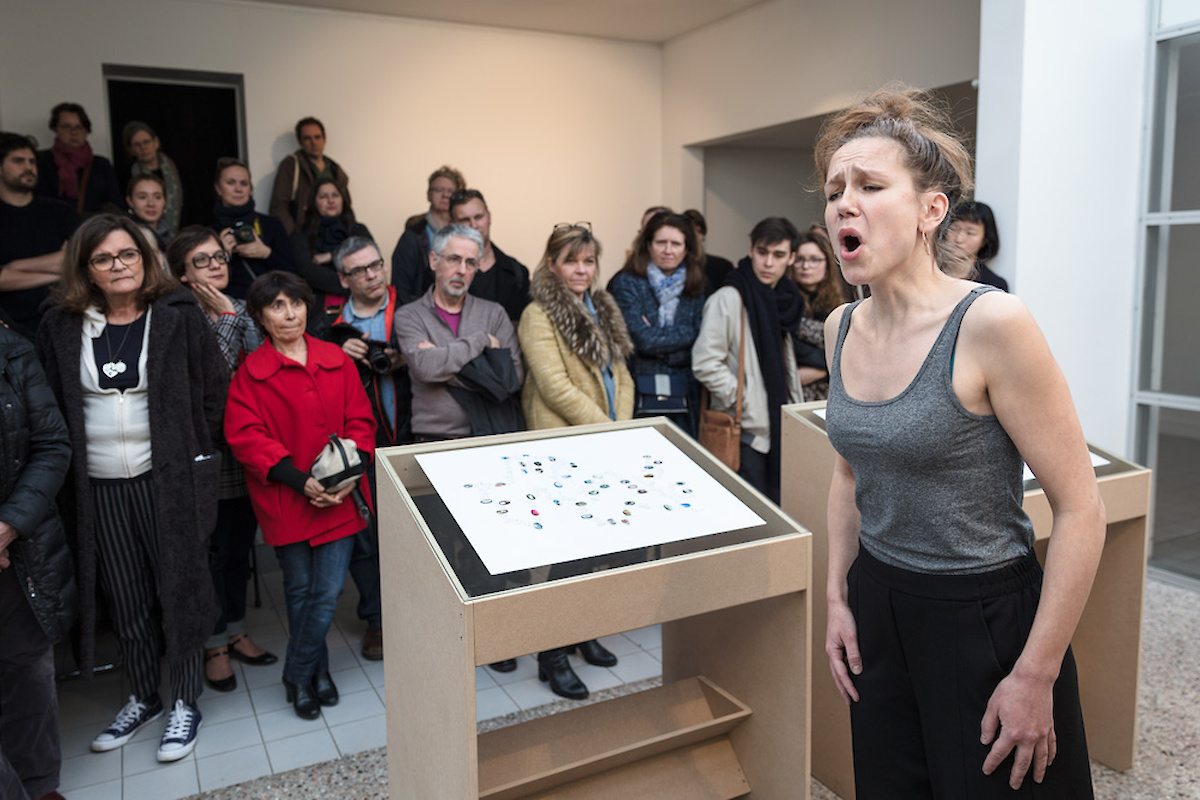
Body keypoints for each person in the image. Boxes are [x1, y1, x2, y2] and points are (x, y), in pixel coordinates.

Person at [818, 87, 1104, 797]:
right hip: (879, 601)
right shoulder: (839, 328)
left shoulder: (991, 324)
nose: (843, 205)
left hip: (981, 615)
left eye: (870, 186)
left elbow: (1080, 510)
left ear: (930, 210)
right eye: (834, 190)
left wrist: (1036, 673)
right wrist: (837, 597)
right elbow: (850, 475)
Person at [36, 214, 227, 763]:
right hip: (97, 489)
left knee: (181, 590)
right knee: (126, 596)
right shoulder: (59, 323)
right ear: (87, 270)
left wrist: (196, 454)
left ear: (145, 261)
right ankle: (143, 696)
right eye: (104, 258)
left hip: (168, 481)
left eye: (128, 255)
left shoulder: (176, 315)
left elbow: (213, 390)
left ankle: (185, 700)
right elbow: (49, 404)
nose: (118, 266)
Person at [224, 271, 376, 720]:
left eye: (296, 303)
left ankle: (298, 671)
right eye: (276, 306)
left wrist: (347, 478)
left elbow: (361, 423)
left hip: (341, 496)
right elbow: (245, 436)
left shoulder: (336, 359)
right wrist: (299, 480)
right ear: (260, 317)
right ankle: (316, 673)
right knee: (300, 589)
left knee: (327, 593)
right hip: (287, 499)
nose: (289, 314)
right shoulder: (251, 373)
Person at [518, 223, 633, 700]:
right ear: (552, 265)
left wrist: (621, 425)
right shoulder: (537, 313)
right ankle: (551, 655)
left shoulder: (602, 307)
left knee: (593, 551)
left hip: (602, 444)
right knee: (561, 557)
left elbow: (622, 372)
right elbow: (554, 387)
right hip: (563, 449)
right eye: (572, 261)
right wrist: (608, 431)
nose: (581, 270)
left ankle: (583, 632)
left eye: (588, 261)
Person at [166, 226, 275, 693]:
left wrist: (233, 315)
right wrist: (228, 317)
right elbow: (214, 378)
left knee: (236, 551)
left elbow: (258, 368)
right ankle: (213, 645)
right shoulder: (177, 317)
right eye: (202, 261)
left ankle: (236, 631)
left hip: (243, 450)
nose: (215, 265)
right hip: (203, 454)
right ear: (182, 275)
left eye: (218, 257)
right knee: (209, 555)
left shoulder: (238, 307)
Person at [316, 236, 411, 661]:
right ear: (343, 278)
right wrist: (337, 350)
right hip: (362, 448)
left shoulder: (409, 308)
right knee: (368, 539)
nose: (373, 275)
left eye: (377, 265)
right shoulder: (330, 324)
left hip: (413, 435)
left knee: (424, 536)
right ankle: (377, 620)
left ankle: (423, 611)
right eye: (360, 270)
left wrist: (408, 356)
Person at [0, 320, 75, 800]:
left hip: (18, 550)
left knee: (28, 674)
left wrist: (7, 527)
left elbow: (52, 445)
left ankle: (41, 786)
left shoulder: (10, 348)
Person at [692, 217, 803, 504]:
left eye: (778, 255)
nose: (768, 263)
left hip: (779, 427)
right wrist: (744, 397)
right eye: (762, 252)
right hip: (745, 429)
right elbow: (705, 363)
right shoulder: (729, 298)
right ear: (751, 251)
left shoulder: (784, 299)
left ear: (791, 258)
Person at [397, 224, 523, 441]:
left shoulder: (494, 314)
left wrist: (442, 362)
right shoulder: (410, 316)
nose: (462, 270)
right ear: (434, 260)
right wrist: (480, 342)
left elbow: (513, 378)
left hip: (493, 436)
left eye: (470, 262)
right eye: (454, 259)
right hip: (434, 439)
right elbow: (426, 368)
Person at [608, 211, 706, 437]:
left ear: (687, 248)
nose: (668, 250)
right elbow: (643, 340)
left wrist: (665, 350)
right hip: (638, 394)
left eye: (676, 243)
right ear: (648, 245)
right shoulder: (626, 282)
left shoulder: (697, 286)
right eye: (661, 242)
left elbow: (702, 339)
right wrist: (684, 338)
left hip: (686, 397)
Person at [0, 132, 79, 339]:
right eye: (18, 161)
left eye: (32, 161)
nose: (28, 167)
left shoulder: (60, 211)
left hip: (65, 316)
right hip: (10, 327)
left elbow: (75, 260)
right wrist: (58, 273)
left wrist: (13, 267)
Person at [290, 178, 372, 329]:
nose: (330, 200)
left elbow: (369, 263)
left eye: (335, 195)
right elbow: (307, 271)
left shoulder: (358, 230)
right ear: (314, 202)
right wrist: (352, 280)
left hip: (360, 302)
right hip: (316, 307)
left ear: (343, 199)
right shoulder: (301, 233)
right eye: (323, 196)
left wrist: (331, 256)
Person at [211, 157, 294, 300]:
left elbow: (293, 274)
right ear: (218, 188)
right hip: (229, 304)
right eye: (231, 183)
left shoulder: (271, 225)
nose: (238, 189)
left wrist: (266, 253)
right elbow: (205, 283)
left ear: (250, 188)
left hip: (268, 302)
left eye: (244, 183)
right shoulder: (210, 232)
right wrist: (222, 257)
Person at [449, 189, 530, 322]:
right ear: (452, 224)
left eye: (478, 217)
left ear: (489, 217)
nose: (474, 225)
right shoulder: (443, 272)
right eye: (465, 220)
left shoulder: (517, 272)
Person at [391, 165, 466, 304]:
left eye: (451, 191)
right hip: (418, 315)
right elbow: (400, 290)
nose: (446, 195)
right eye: (439, 190)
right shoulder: (412, 237)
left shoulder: (465, 235)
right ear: (428, 195)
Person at [789, 229, 847, 401]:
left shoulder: (839, 306)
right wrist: (830, 363)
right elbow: (792, 348)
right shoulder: (784, 305)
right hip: (794, 399)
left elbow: (853, 356)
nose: (806, 267)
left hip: (831, 400)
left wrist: (819, 370)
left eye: (814, 260)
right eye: (800, 260)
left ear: (827, 264)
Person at [35, 103, 123, 216]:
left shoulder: (101, 165)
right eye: (66, 126)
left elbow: (115, 205)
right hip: (53, 229)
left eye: (79, 127)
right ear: (55, 129)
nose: (73, 132)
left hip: (92, 230)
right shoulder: (42, 161)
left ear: (87, 131)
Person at [270, 117, 351, 235]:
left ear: (324, 138)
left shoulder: (335, 169)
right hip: (305, 236)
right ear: (299, 141)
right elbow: (278, 207)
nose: (313, 142)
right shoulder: (291, 165)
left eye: (317, 137)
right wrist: (295, 237)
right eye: (307, 138)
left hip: (334, 235)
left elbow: (346, 206)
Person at [123, 121, 183, 235]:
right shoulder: (127, 175)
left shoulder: (176, 168)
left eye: (146, 142)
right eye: (137, 144)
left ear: (156, 142)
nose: (143, 147)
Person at [949, 200, 1008, 292]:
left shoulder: (993, 284)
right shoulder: (930, 270)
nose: (959, 239)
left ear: (985, 240)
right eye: (954, 229)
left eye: (970, 233)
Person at [683, 209, 734, 294]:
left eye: (699, 231)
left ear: (703, 235)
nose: (694, 235)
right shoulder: (675, 266)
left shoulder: (722, 266)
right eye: (690, 230)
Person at [125, 174, 169, 268]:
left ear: (165, 201)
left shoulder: (170, 237)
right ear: (130, 201)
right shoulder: (127, 237)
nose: (151, 203)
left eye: (157, 197)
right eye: (142, 197)